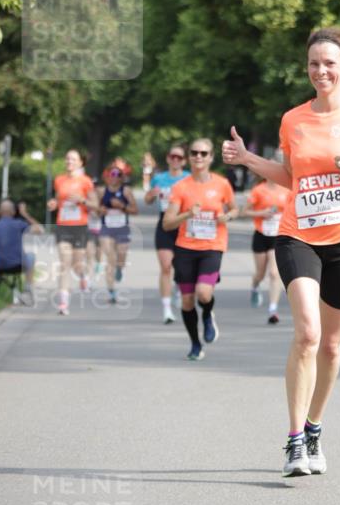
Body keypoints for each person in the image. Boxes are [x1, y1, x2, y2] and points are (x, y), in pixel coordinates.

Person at [222, 26, 340, 477]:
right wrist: (247, 160)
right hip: (297, 233)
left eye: (329, 63)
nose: (320, 71)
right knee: (307, 334)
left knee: (333, 346)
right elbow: (290, 178)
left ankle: (315, 426)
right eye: (313, 64)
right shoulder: (293, 119)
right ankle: (295, 440)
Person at [163, 138, 238, 360]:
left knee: (203, 294)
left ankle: (207, 314)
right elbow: (167, 223)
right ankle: (195, 343)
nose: (198, 157)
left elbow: (235, 209)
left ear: (211, 157)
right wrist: (187, 214)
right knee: (187, 301)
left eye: (203, 153)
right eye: (194, 153)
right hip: (186, 247)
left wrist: (227, 216)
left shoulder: (222, 184)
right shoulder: (181, 187)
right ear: (189, 157)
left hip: (213, 246)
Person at [47, 149, 98, 315]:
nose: (69, 161)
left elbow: (95, 205)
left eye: (73, 159)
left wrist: (82, 200)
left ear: (80, 163)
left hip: (80, 227)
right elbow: (57, 199)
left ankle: (83, 276)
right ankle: (63, 303)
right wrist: (54, 204)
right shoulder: (59, 180)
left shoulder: (86, 181)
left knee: (77, 265)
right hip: (63, 225)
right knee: (64, 263)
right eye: (67, 158)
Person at [144, 144, 189, 324]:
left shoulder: (188, 179)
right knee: (165, 267)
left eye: (179, 157)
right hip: (164, 224)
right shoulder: (159, 178)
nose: (175, 160)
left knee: (182, 268)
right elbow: (147, 200)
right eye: (173, 156)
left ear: (184, 161)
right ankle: (167, 309)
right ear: (168, 158)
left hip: (184, 225)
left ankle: (178, 288)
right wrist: (152, 194)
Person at [241, 169, 290, 324]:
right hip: (261, 235)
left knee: (275, 273)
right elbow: (244, 212)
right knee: (260, 274)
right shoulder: (258, 190)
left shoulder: (287, 189)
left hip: (278, 235)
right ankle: (255, 285)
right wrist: (262, 213)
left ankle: (273, 309)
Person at [97, 161, 138, 304]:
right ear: (107, 176)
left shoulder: (126, 191)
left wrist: (122, 206)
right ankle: (111, 292)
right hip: (106, 228)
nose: (114, 177)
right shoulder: (102, 191)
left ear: (122, 177)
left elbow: (135, 210)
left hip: (122, 228)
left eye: (118, 174)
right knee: (110, 259)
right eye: (112, 174)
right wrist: (99, 211)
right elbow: (95, 210)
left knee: (121, 255)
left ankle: (120, 268)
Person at [0, 199, 44, 300]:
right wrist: (24, 213)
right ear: (13, 212)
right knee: (31, 256)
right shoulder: (19, 224)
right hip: (19, 265)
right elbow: (40, 230)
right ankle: (27, 288)